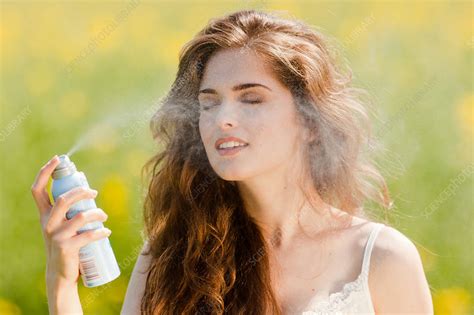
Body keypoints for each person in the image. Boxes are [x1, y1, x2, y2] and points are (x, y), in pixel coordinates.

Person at [32, 9, 433, 315]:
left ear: (311, 121)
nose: (223, 117)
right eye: (209, 102)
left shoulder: (380, 258)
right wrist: (63, 285)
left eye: (251, 98)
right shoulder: (172, 254)